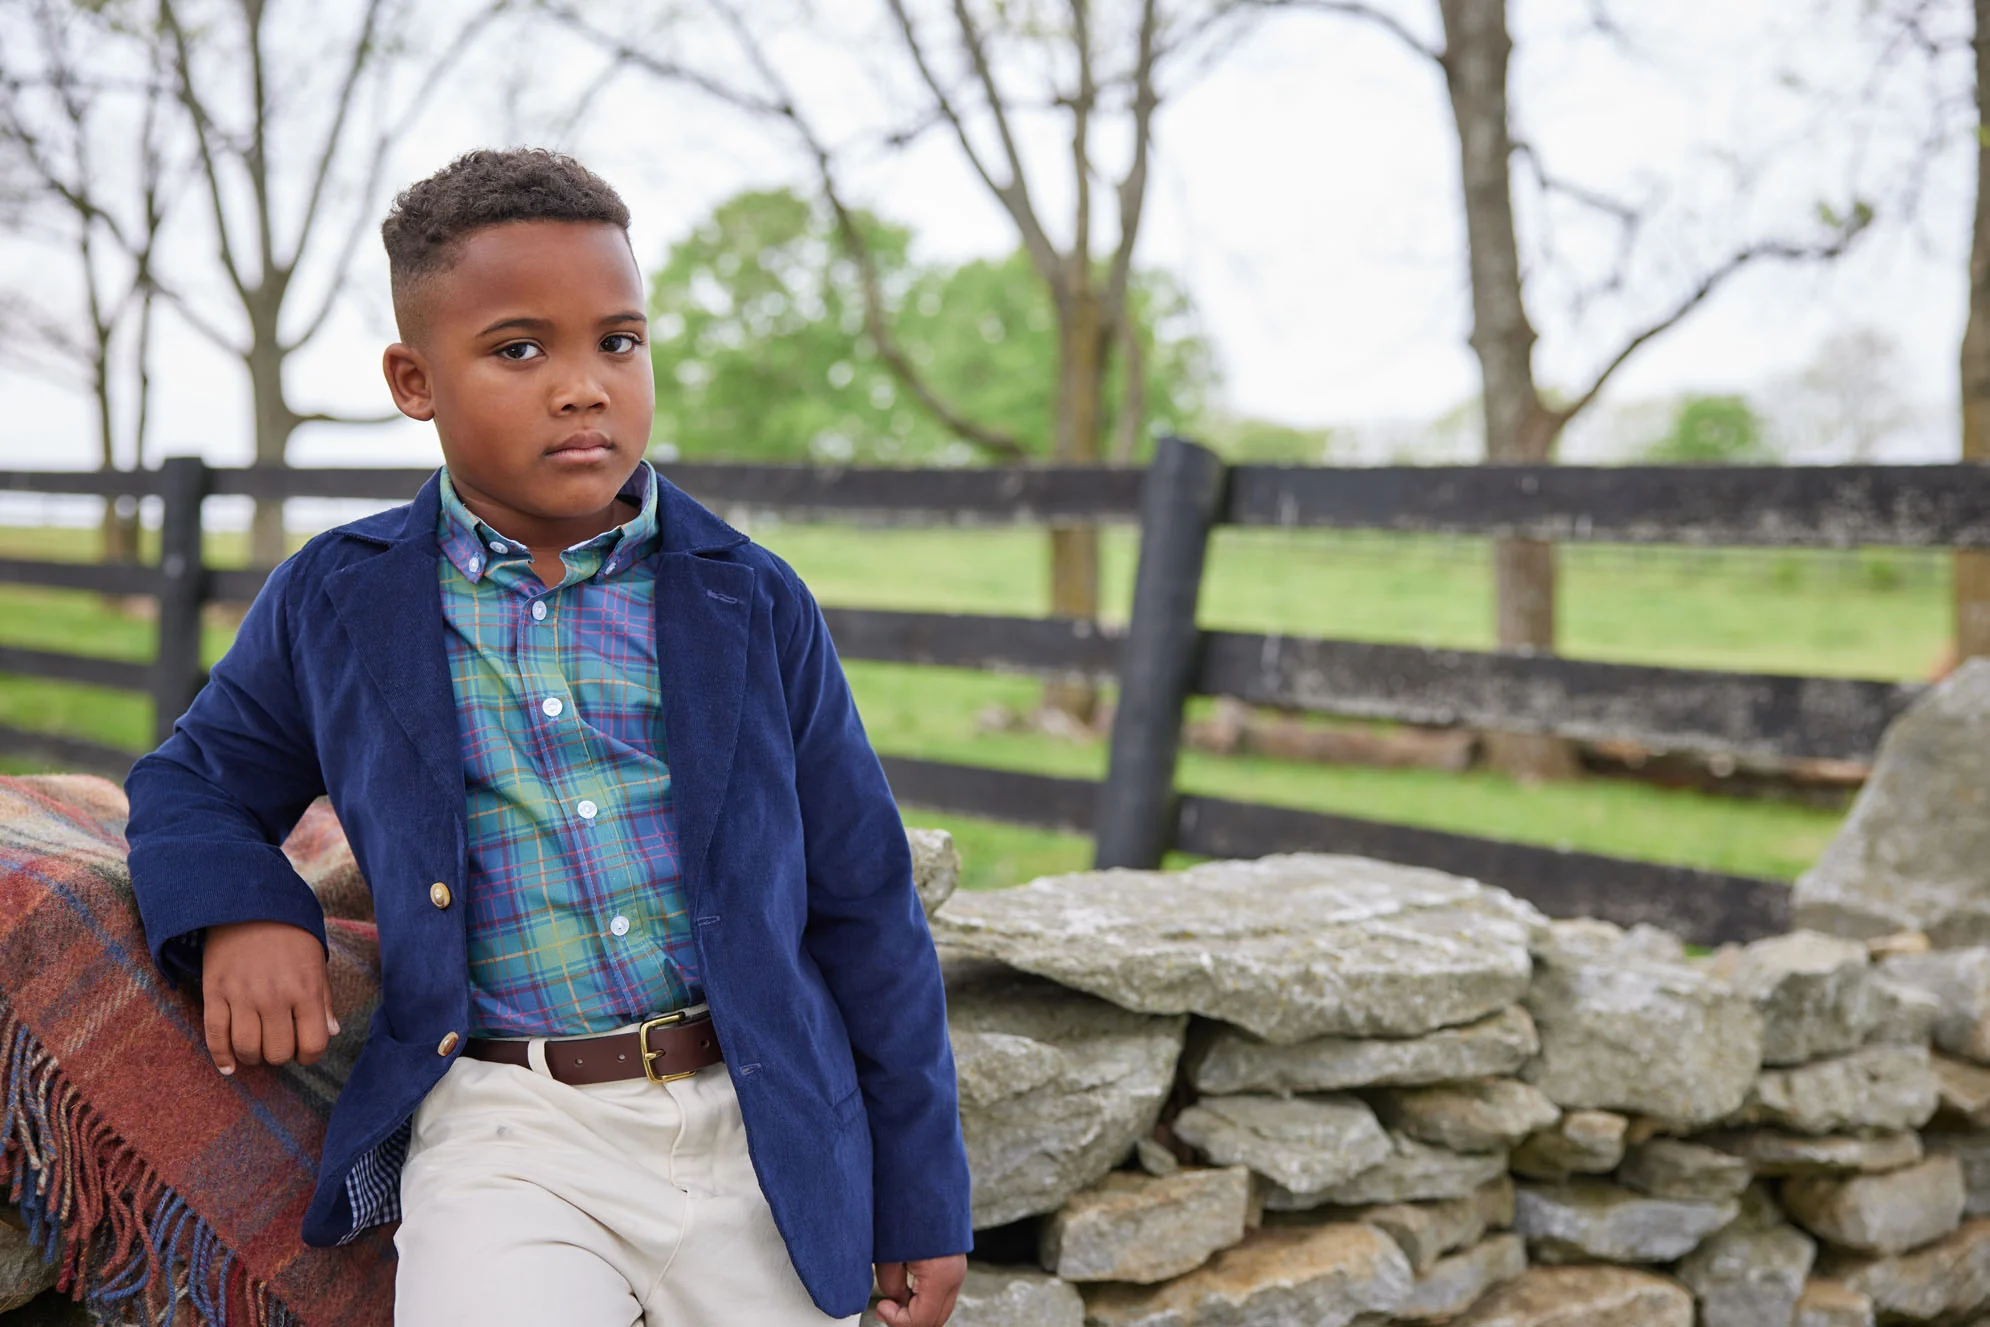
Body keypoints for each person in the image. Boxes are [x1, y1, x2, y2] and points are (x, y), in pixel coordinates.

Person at [123, 148, 971, 1327]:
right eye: (520, 350)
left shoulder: (750, 599)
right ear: (414, 379)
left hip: (764, 1120)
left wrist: (922, 1198)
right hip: (508, 1127)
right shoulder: (339, 597)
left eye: (617, 342)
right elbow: (193, 779)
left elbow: (867, 904)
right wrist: (244, 907)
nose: (584, 386)